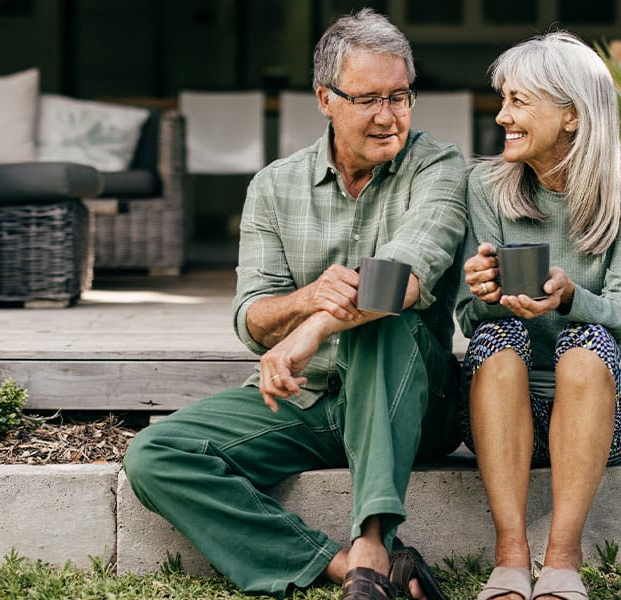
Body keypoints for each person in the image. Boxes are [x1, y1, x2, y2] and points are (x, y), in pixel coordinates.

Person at [123, 9, 467, 600]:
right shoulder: (274, 186)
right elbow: (252, 320)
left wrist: (311, 331)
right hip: (310, 401)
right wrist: (306, 299)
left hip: (410, 402)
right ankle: (340, 565)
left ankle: (373, 539)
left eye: (400, 96)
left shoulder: (438, 166)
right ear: (325, 99)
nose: (388, 116)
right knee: (155, 454)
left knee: (381, 321)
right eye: (368, 99)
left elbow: (404, 278)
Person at [455, 32, 621, 600]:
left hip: (604, 418)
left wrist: (569, 298)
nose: (502, 116)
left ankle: (564, 559)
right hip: (504, 419)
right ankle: (510, 556)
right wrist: (484, 294)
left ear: (572, 115)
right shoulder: (485, 186)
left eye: (518, 101)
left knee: (587, 339)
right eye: (503, 100)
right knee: (495, 337)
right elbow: (468, 319)